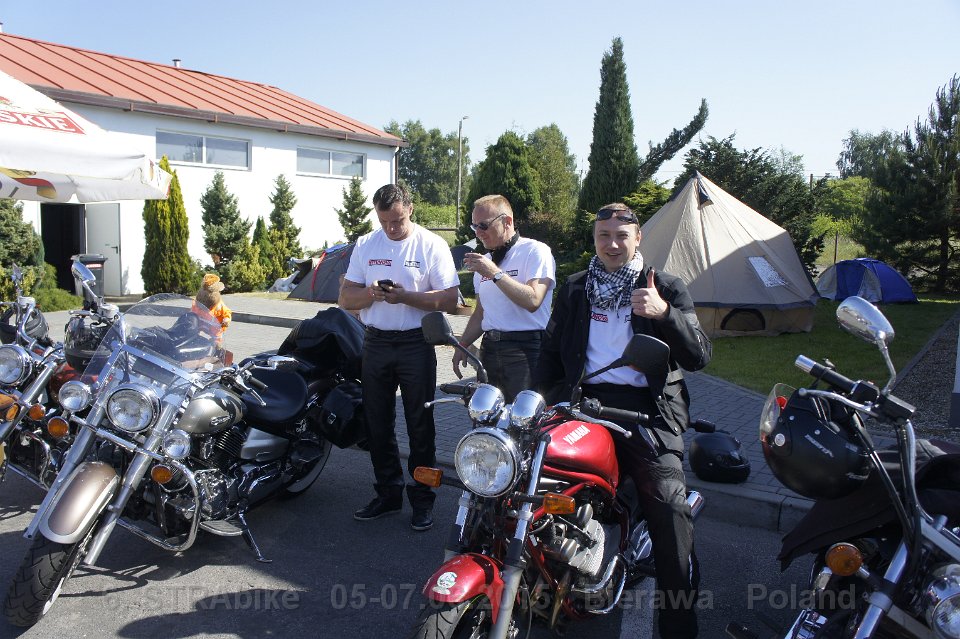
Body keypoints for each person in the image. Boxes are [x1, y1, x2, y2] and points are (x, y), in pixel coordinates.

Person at [533, 202, 712, 639]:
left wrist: (664, 314)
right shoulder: (577, 288)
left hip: (647, 409)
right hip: (585, 403)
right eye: (603, 236)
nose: (612, 244)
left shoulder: (664, 287)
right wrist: (538, 402)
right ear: (594, 238)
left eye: (621, 236)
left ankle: (679, 626)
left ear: (638, 238)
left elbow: (699, 355)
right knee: (531, 478)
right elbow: (551, 353)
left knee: (669, 508)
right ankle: (543, 587)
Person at [339, 183, 459, 532]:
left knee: (421, 424)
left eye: (397, 221)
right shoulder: (366, 243)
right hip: (375, 341)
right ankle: (388, 493)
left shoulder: (431, 244)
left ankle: (422, 500)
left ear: (411, 209)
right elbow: (346, 299)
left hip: (415, 343)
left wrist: (406, 297)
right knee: (376, 422)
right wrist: (371, 293)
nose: (391, 228)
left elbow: (450, 299)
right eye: (384, 221)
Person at [452, 195, 555, 402]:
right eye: (474, 226)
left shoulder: (535, 251)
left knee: (521, 416)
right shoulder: (485, 261)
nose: (478, 233)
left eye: (483, 225)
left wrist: (495, 273)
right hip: (490, 348)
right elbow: (481, 313)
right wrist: (463, 344)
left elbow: (533, 300)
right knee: (486, 413)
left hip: (526, 349)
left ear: (507, 221)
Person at [194, 273, 232, 342]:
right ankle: (193, 339)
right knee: (194, 328)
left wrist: (226, 320)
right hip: (202, 324)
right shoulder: (197, 304)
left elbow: (226, 312)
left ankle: (216, 343)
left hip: (215, 327)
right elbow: (192, 313)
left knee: (217, 338)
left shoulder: (219, 305)